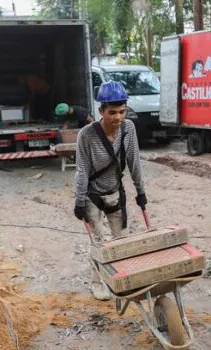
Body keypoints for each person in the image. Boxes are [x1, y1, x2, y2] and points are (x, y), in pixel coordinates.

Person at [73, 81, 147, 301]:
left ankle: (120, 279)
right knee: (98, 242)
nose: (118, 117)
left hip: (115, 190)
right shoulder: (86, 135)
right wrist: (78, 200)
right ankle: (98, 282)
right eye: (112, 112)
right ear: (101, 111)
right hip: (92, 194)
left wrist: (140, 191)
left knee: (120, 239)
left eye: (122, 112)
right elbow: (82, 170)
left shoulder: (128, 129)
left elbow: (134, 162)